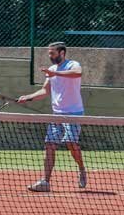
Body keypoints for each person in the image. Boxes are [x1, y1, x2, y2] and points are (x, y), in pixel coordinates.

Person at [17, 42, 87, 192]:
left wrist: (56, 74)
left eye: (52, 53)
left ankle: (81, 168)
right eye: (49, 53)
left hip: (73, 112)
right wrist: (28, 97)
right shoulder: (52, 70)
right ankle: (45, 181)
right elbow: (45, 91)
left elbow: (78, 73)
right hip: (57, 113)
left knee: (71, 143)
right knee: (49, 144)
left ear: (62, 53)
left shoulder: (72, 65)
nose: (50, 56)